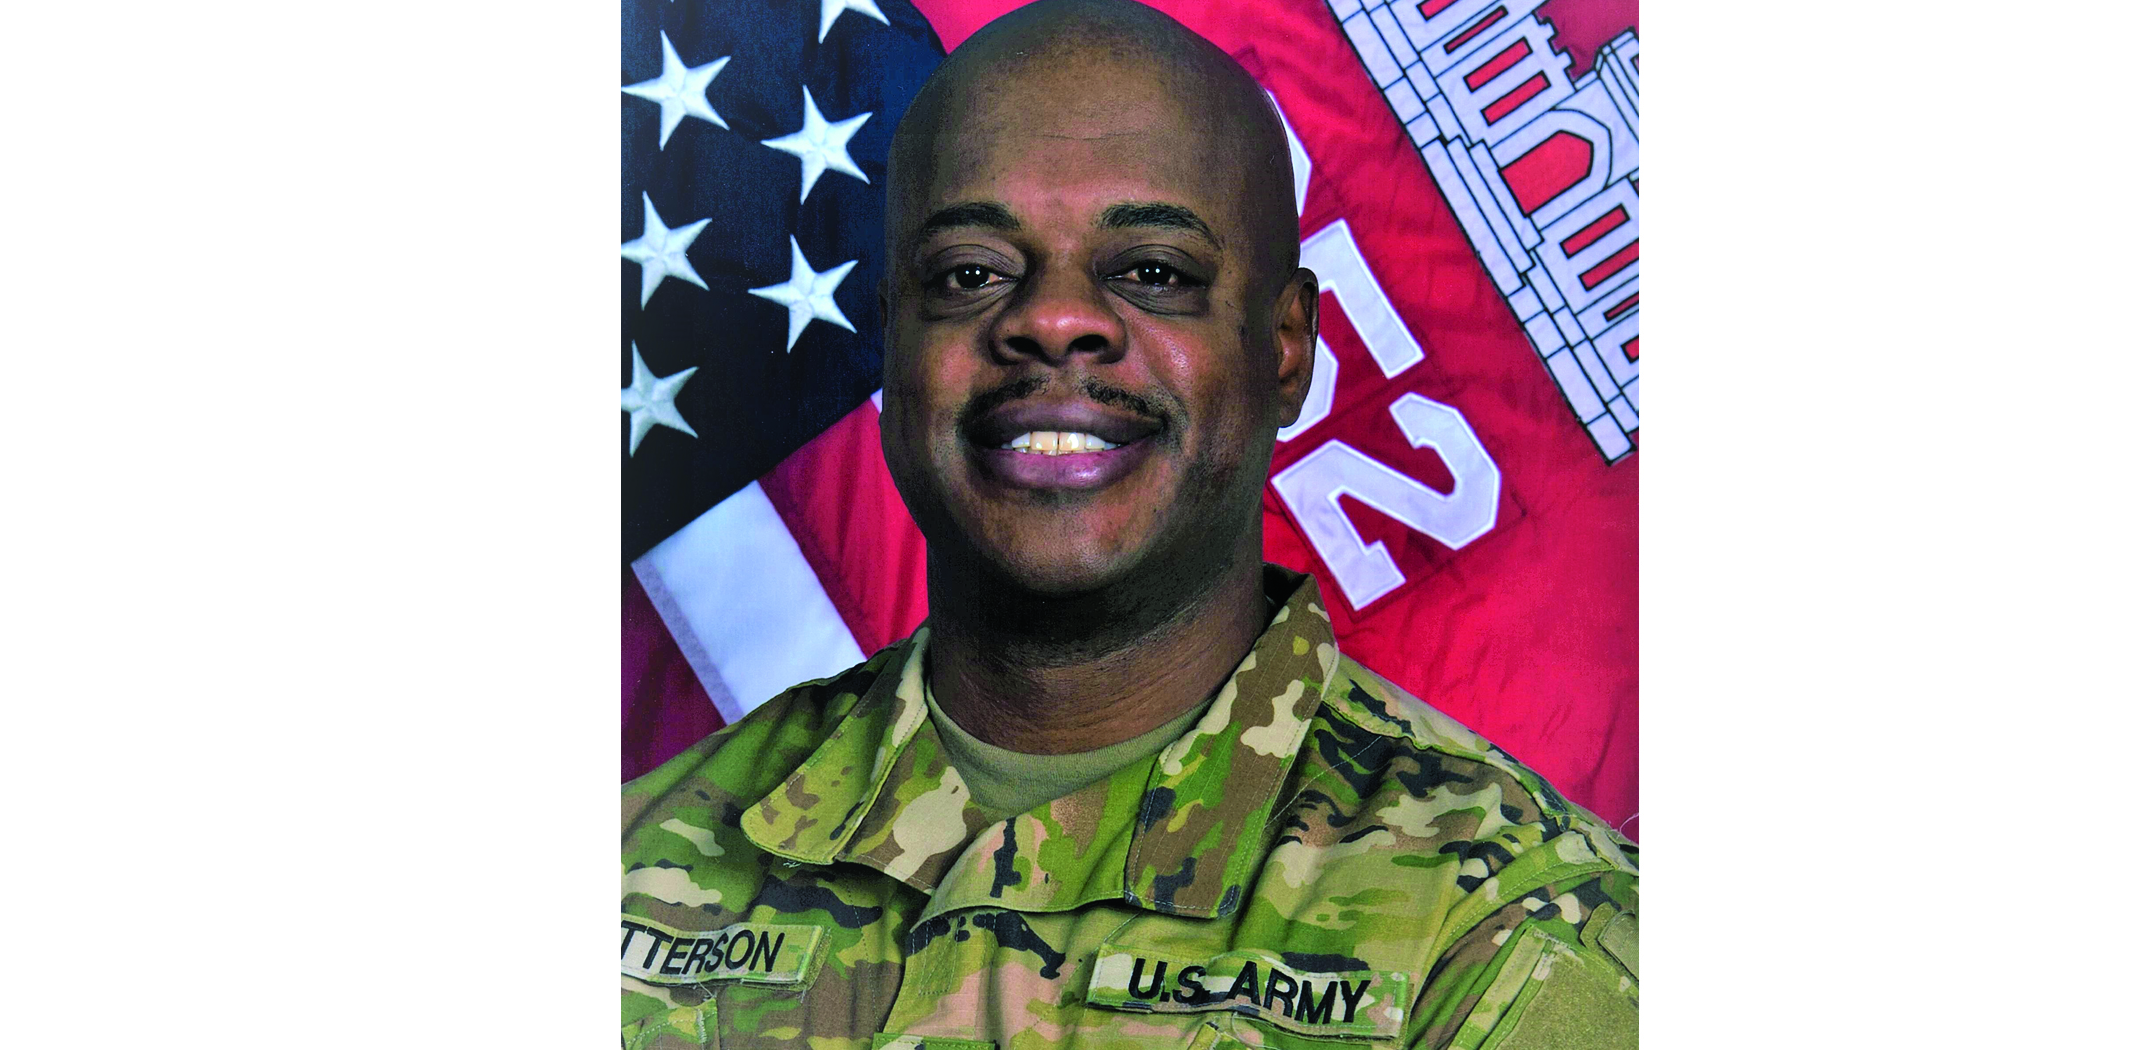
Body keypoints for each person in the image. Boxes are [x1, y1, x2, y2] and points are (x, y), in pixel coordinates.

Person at [619, 2, 1637, 1046]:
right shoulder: (634, 862)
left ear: (1286, 351)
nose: (1052, 319)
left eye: (1153, 271)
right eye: (971, 272)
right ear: (892, 342)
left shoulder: (1515, 935)